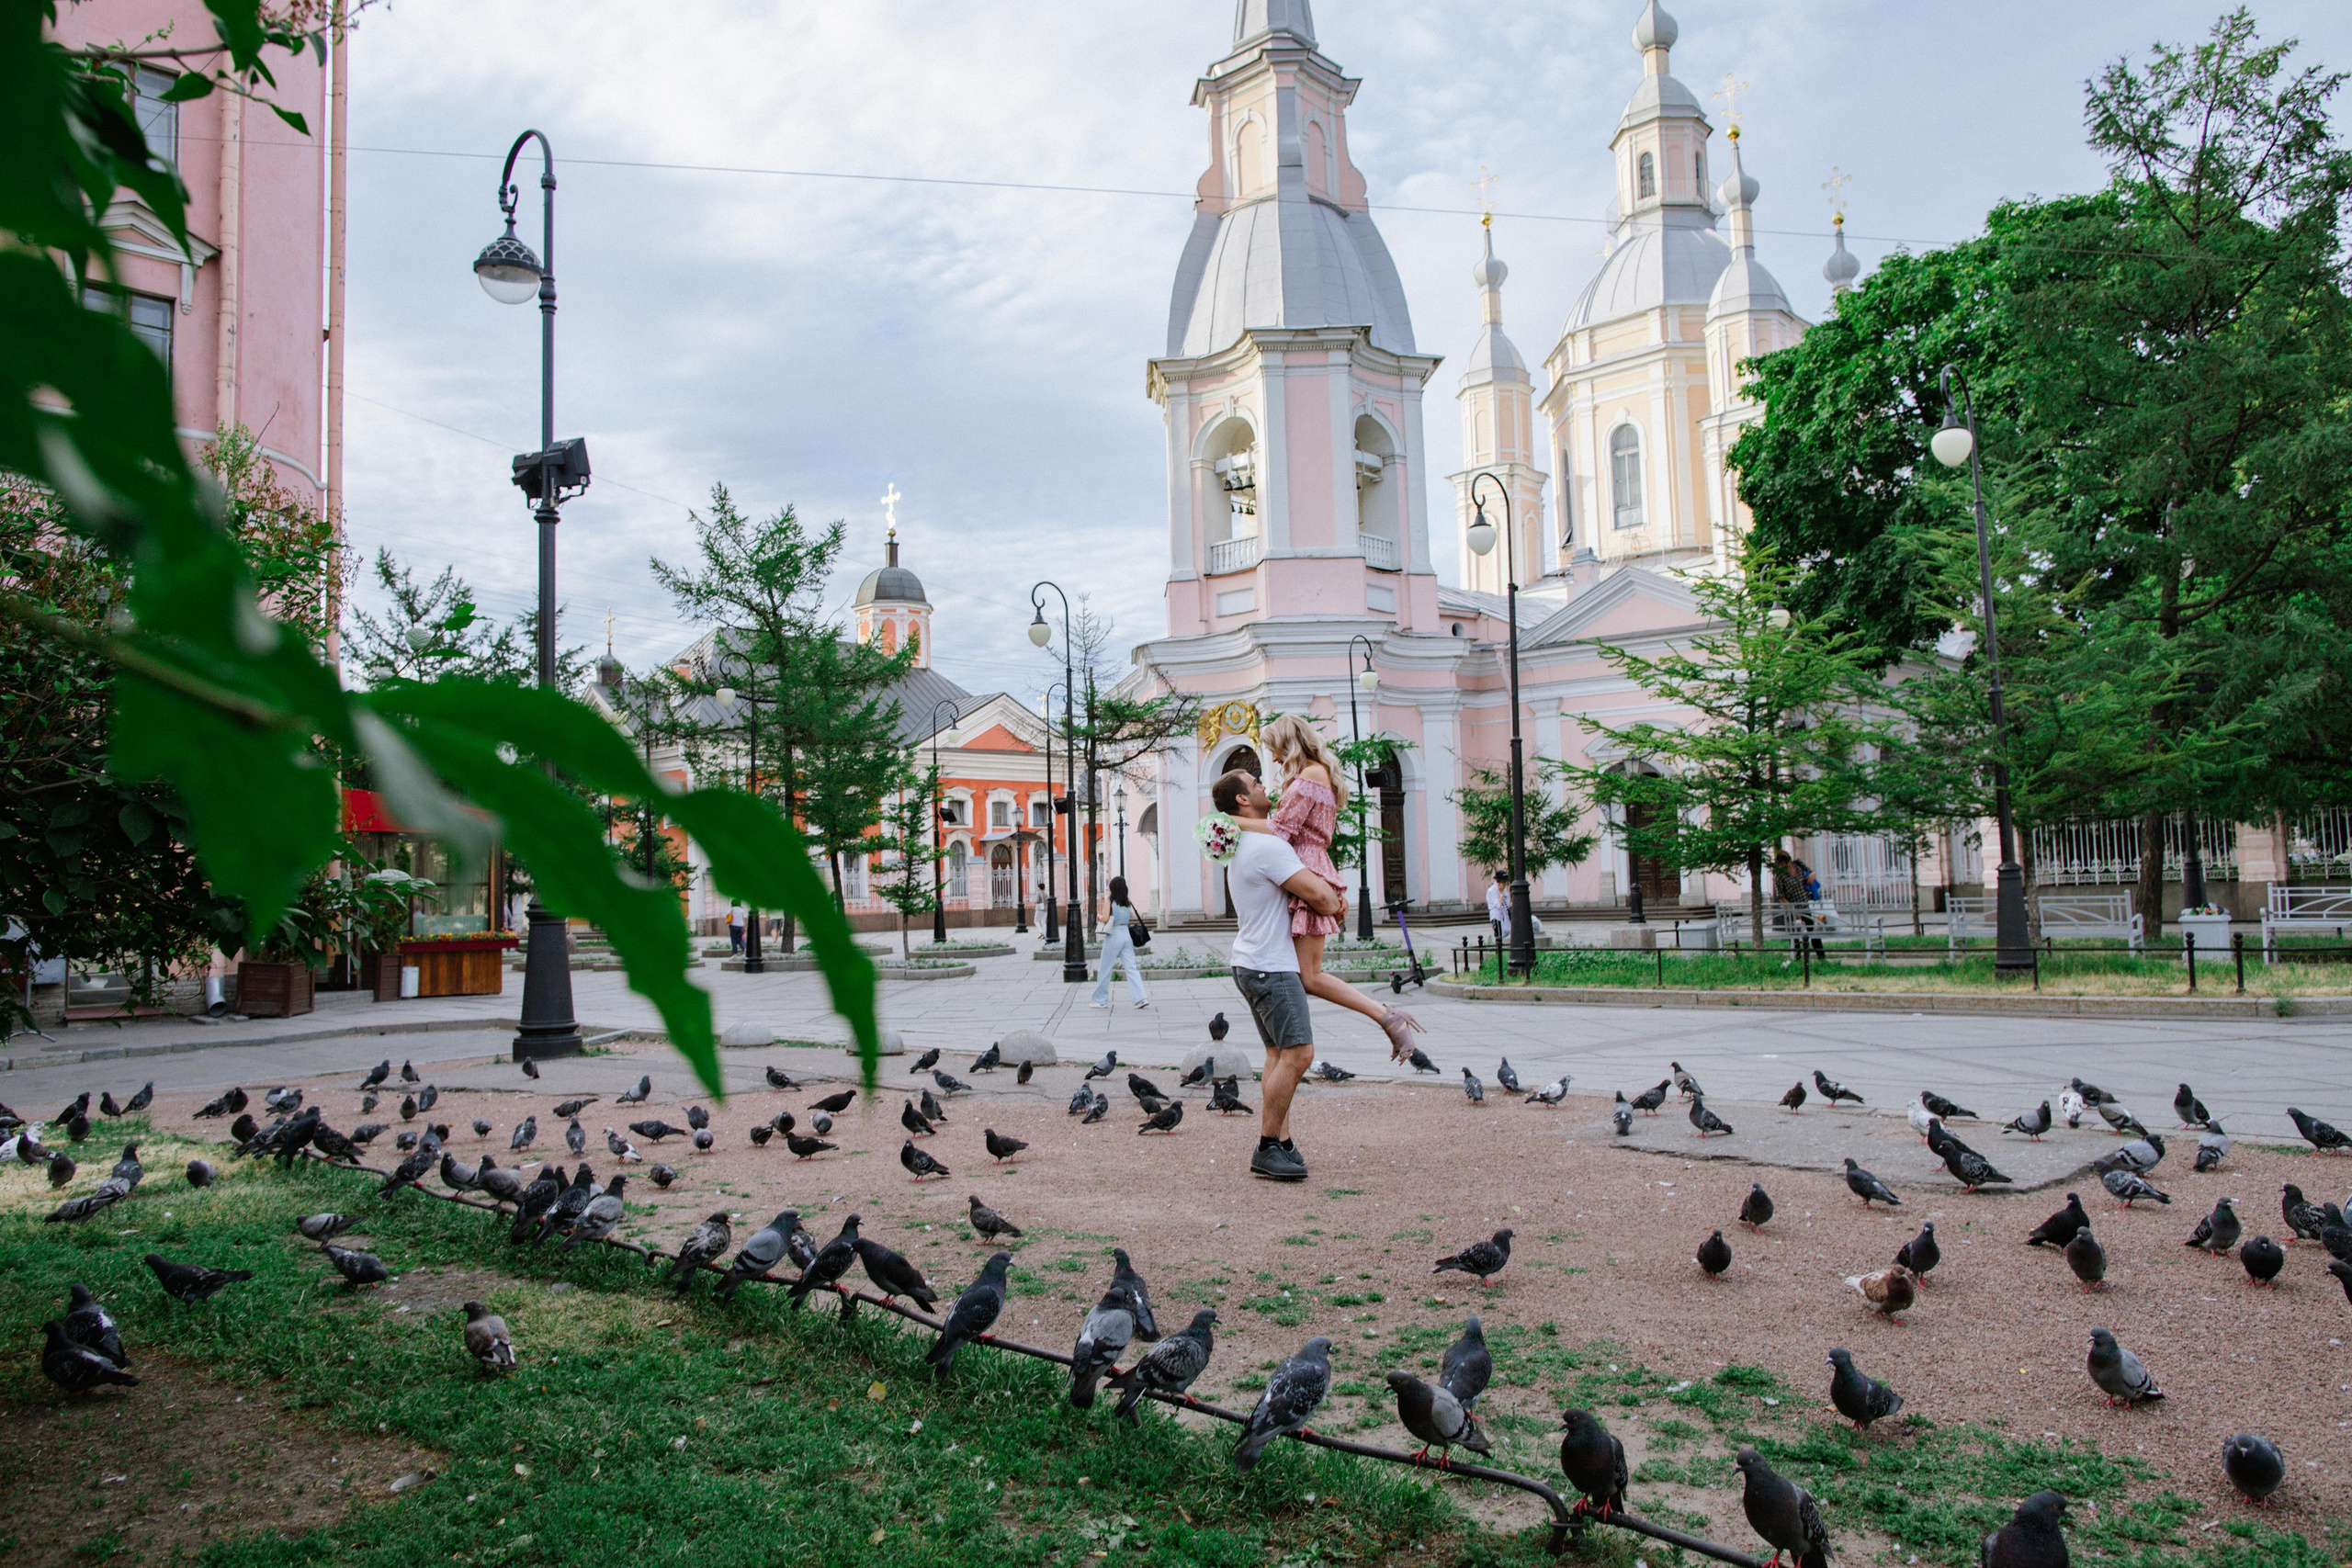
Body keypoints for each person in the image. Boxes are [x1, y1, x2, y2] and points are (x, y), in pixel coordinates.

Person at [1245, 715, 1425, 1061]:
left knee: (1310, 976)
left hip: (1307, 867)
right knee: (1305, 974)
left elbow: (1282, 829)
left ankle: (1387, 1017)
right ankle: (1384, 1017)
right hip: (1306, 865)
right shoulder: (1311, 774)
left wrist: (1229, 822)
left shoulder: (1310, 774)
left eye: (1276, 751)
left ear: (1289, 743)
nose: (1275, 760)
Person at [1216, 768, 1348, 1182]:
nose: (1262, 785)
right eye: (1254, 783)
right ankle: (1267, 1146)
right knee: (1300, 1054)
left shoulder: (1243, 843)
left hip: (1251, 961)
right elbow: (1322, 896)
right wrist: (1336, 904)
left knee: (1277, 1055)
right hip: (1271, 965)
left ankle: (1284, 1143)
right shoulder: (1266, 846)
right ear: (1242, 801)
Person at [1091, 875, 1148, 1010]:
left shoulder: (1110, 900)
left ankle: (1100, 1000)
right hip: (1126, 934)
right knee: (1131, 967)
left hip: (1114, 934)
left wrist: (1099, 916)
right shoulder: (1127, 901)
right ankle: (1141, 998)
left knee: (1105, 967)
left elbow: (1105, 918)